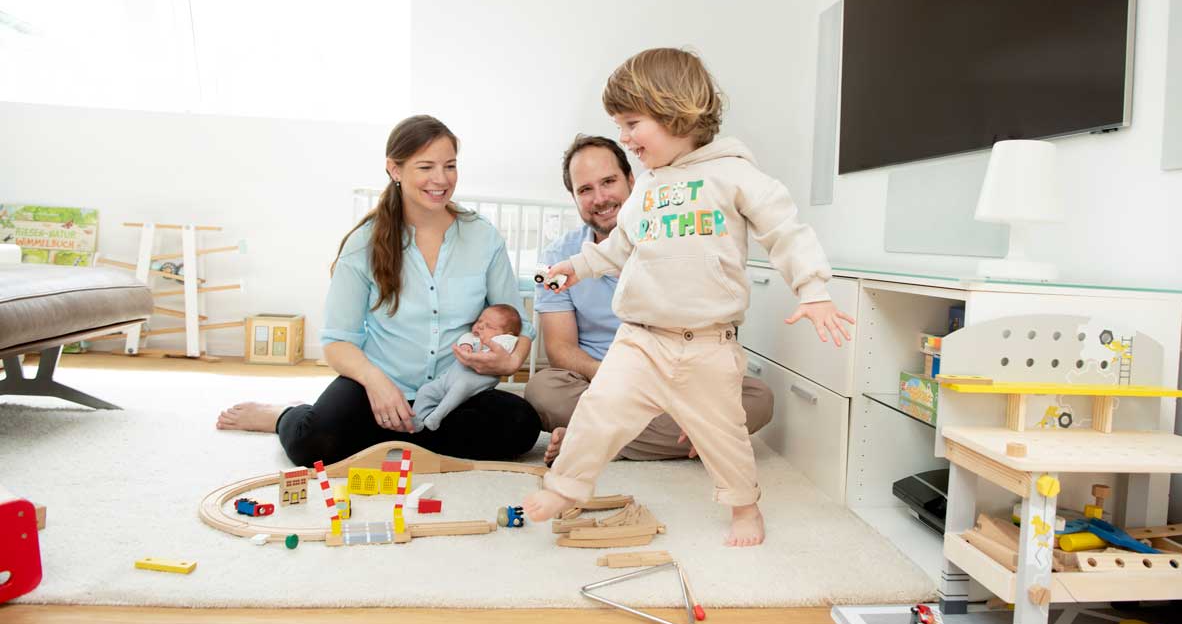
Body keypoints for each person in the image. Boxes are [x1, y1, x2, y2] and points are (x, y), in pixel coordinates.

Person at [522, 48, 854, 546]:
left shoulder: (735, 175)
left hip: (706, 344)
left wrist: (813, 289)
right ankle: (566, 486)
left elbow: (786, 231)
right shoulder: (648, 189)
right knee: (598, 411)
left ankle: (744, 507)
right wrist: (575, 268)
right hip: (639, 340)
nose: (625, 138)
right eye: (620, 125)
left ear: (676, 109)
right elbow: (617, 247)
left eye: (632, 124)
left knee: (725, 434)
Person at [215, 115, 542, 466]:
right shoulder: (363, 244)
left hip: (452, 391)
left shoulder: (482, 236)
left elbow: (517, 320)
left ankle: (395, 433)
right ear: (395, 169)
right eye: (426, 167)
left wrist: (512, 358)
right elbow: (338, 341)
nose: (441, 179)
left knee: (522, 426)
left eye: (450, 166)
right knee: (313, 444)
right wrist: (376, 383)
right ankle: (285, 415)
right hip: (380, 382)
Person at [524, 134, 774, 465]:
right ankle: (700, 434)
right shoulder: (560, 258)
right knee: (542, 390)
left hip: (677, 379)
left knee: (758, 398)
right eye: (585, 190)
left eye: (609, 182)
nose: (600, 198)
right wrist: (613, 379)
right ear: (574, 197)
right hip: (599, 382)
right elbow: (560, 350)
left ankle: (591, 439)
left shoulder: (680, 239)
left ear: (631, 180)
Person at [412, 303, 522, 432]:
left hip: (473, 381)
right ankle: (415, 420)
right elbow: (465, 338)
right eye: (479, 321)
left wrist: (488, 349)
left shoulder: (504, 341)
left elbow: (505, 346)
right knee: (426, 390)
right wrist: (465, 345)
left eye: (488, 326)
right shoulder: (472, 337)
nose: (480, 325)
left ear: (506, 334)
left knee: (460, 388)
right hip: (448, 379)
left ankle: (436, 416)